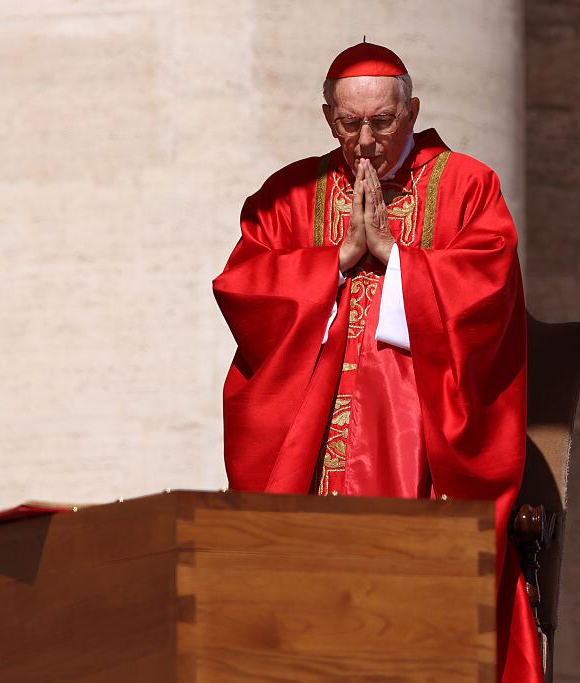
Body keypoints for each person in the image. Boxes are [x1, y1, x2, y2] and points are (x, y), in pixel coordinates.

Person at [212, 42, 541, 682]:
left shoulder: (468, 186)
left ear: (412, 109)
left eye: (383, 122)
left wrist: (399, 262)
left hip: (418, 437)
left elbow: (489, 289)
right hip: (309, 439)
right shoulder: (287, 196)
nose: (365, 141)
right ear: (328, 118)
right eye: (349, 123)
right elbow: (243, 287)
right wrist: (333, 262)